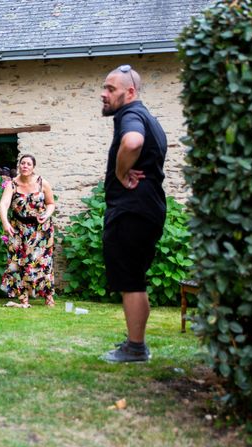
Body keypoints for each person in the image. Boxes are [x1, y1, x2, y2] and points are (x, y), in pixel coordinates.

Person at [100, 65, 167, 363]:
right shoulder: (150, 119)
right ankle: (135, 340)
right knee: (134, 278)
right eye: (104, 88)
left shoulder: (130, 116)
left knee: (130, 280)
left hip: (132, 208)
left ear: (130, 92)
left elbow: (132, 142)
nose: (103, 94)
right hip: (148, 207)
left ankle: (136, 348)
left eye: (110, 89)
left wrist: (120, 170)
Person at [0, 154, 56, 308]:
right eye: (22, 163)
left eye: (28, 164)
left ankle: (48, 297)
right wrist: (5, 223)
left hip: (41, 231)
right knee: (18, 263)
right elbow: (4, 204)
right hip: (19, 230)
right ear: (19, 166)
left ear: (33, 167)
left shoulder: (42, 182)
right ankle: (23, 298)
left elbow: (51, 203)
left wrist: (46, 214)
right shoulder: (12, 185)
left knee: (43, 263)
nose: (25, 166)